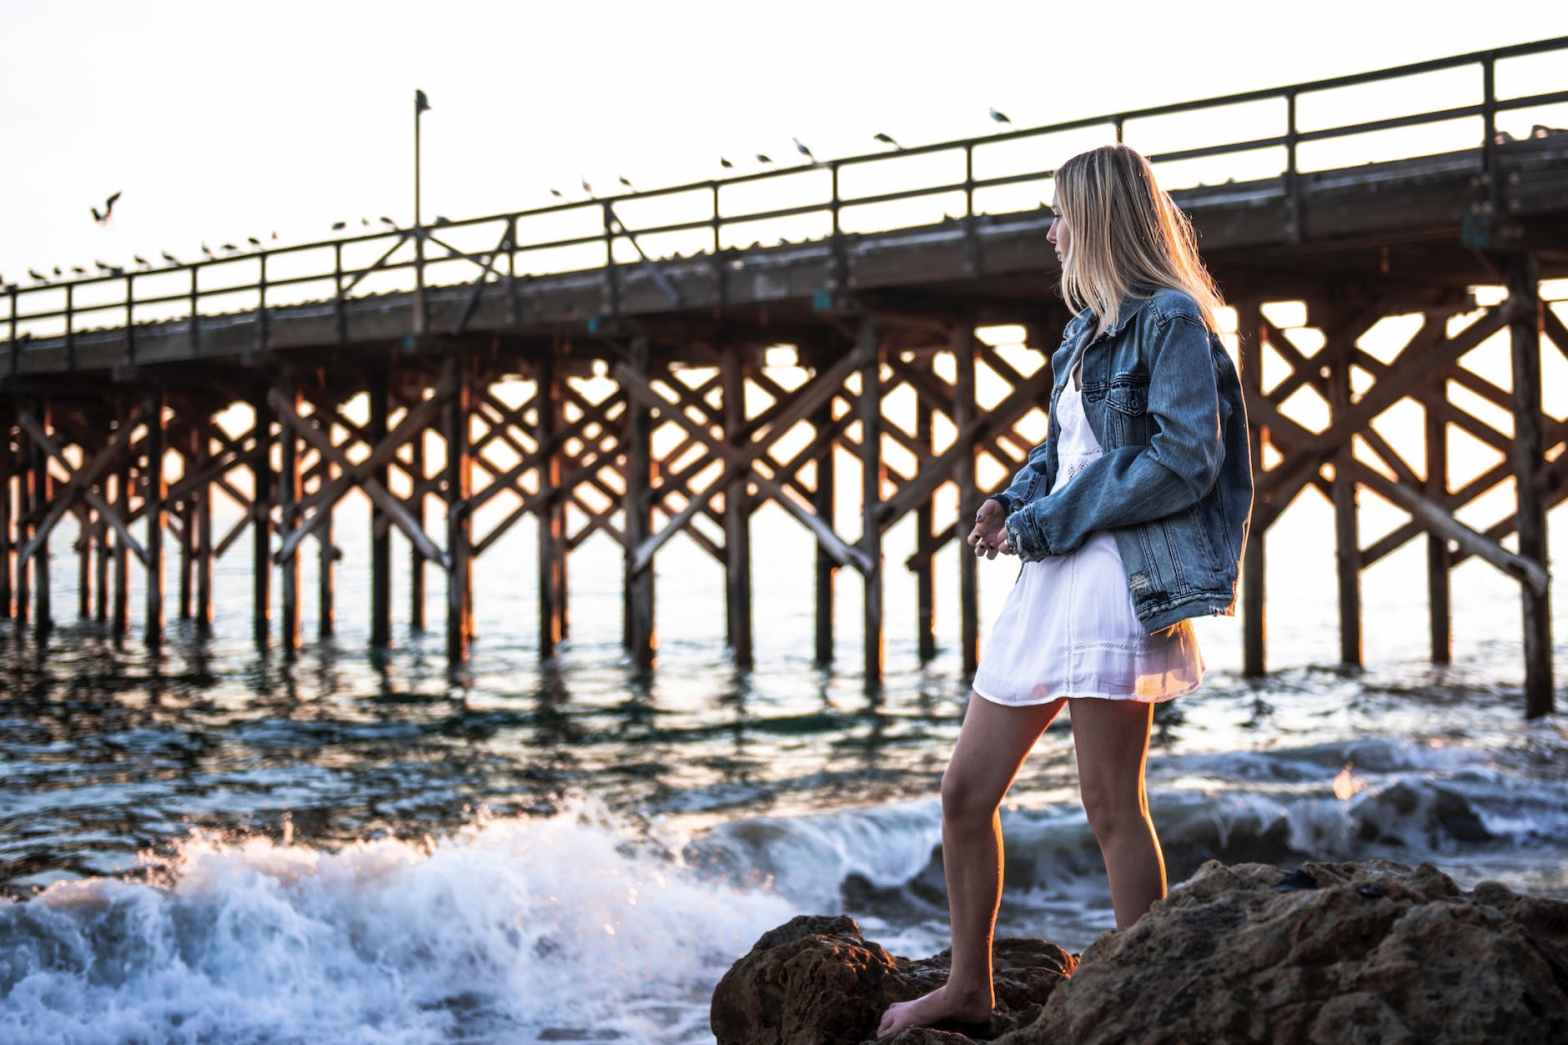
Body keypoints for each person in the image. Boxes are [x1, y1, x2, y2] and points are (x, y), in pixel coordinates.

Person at [876, 143, 1254, 1038]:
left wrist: (1049, 518)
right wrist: (1014, 495)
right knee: (966, 790)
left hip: (1117, 580)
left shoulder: (1171, 323)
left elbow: (1184, 458)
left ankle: (1150, 998)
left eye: (1059, 215)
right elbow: (1068, 453)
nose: (1049, 233)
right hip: (1052, 578)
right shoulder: (1085, 330)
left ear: (1096, 219)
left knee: (1109, 803)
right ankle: (969, 986)